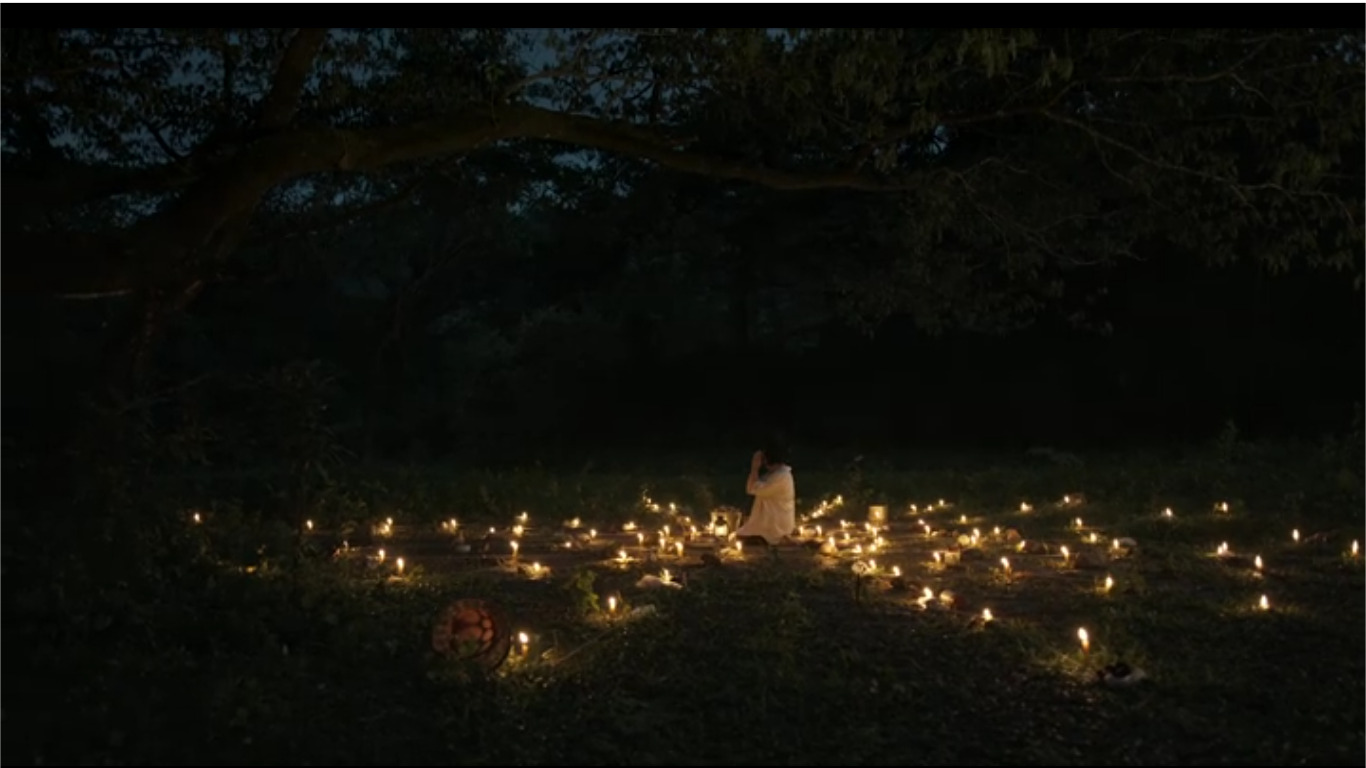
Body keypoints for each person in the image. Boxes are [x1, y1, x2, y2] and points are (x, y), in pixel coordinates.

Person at [737, 443, 796, 545]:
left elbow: (751, 489)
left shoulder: (782, 477)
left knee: (736, 538)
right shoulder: (777, 474)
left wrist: (754, 468)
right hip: (772, 523)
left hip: (775, 528)